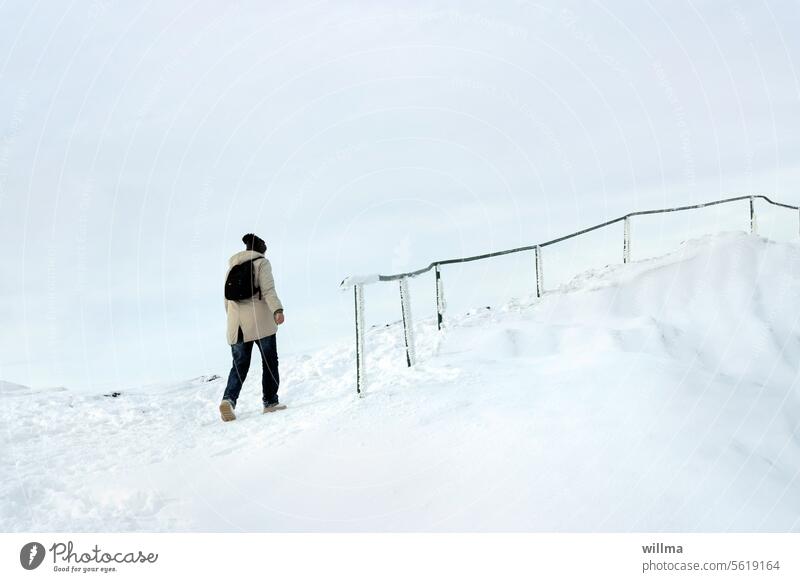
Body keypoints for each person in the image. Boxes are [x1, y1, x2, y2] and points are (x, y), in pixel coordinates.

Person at [219, 233, 285, 422]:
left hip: (236, 325)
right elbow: (268, 290)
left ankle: (228, 400)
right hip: (261, 322)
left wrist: (232, 322)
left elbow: (226, 301)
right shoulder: (262, 263)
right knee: (270, 360)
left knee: (239, 366)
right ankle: (270, 402)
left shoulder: (232, 266)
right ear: (261, 248)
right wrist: (277, 310)